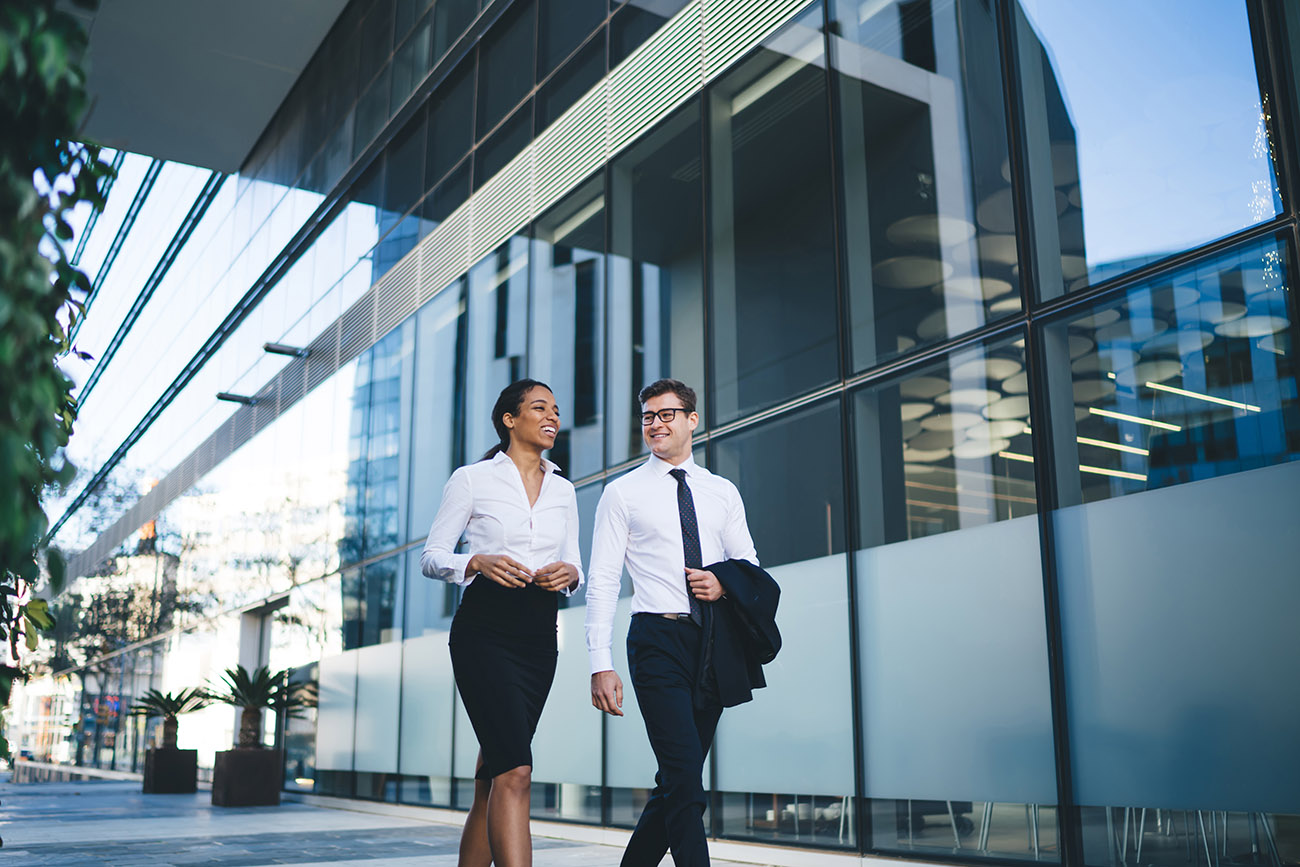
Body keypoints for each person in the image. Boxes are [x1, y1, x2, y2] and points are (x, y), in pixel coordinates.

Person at [585, 378, 761, 867]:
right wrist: (601, 662)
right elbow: (601, 581)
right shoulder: (622, 494)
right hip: (656, 640)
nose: (655, 424)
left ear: (691, 420)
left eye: (666, 414)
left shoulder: (721, 491)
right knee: (685, 779)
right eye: (648, 417)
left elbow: (749, 564)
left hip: (713, 641)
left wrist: (722, 583)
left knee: (676, 782)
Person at [421, 379, 582, 867]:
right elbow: (431, 557)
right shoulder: (472, 479)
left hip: (539, 635)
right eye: (539, 407)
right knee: (516, 772)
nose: (552, 416)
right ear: (510, 419)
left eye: (556, 409)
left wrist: (570, 573)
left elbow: (576, 564)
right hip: (485, 632)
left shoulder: (564, 489)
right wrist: (476, 562)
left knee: (493, 776)